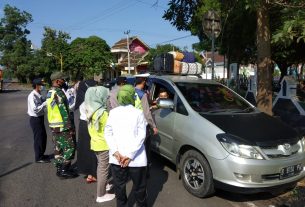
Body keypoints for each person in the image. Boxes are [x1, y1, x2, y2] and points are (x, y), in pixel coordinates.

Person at [105, 84, 148, 207]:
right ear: (132, 97)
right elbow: (141, 136)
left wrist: (115, 152)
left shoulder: (113, 113)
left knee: (119, 187)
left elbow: (108, 133)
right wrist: (129, 155)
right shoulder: (138, 113)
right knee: (140, 188)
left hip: (117, 158)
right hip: (136, 159)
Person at [84, 86, 115, 203]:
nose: (106, 98)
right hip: (104, 145)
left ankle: (105, 186)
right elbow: (112, 129)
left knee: (100, 167)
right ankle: (101, 195)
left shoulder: (91, 110)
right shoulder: (102, 113)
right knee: (104, 169)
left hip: (95, 143)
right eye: (105, 96)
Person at [46, 71, 78, 179]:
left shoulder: (50, 92)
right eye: (63, 79)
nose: (64, 81)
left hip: (54, 125)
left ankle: (59, 168)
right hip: (63, 125)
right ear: (57, 81)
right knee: (70, 147)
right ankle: (65, 169)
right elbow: (63, 110)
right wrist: (70, 127)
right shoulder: (59, 93)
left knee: (58, 146)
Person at [75, 79, 99, 183]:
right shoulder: (89, 100)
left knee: (85, 149)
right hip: (90, 124)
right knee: (92, 149)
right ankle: (92, 174)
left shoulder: (82, 98)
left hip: (83, 124)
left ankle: (89, 172)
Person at [134, 77, 158, 178]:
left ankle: (135, 170)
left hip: (133, 123)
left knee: (136, 147)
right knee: (145, 150)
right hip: (142, 124)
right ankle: (144, 172)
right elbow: (147, 113)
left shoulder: (132, 91)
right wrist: (153, 126)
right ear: (143, 82)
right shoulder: (142, 94)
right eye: (145, 82)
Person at [27, 78, 50, 163]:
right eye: (42, 85)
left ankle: (41, 154)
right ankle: (38, 157)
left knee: (43, 137)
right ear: (37, 85)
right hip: (35, 119)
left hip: (40, 118)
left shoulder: (38, 94)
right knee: (38, 138)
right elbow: (35, 109)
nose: (43, 87)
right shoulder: (32, 96)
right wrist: (45, 103)